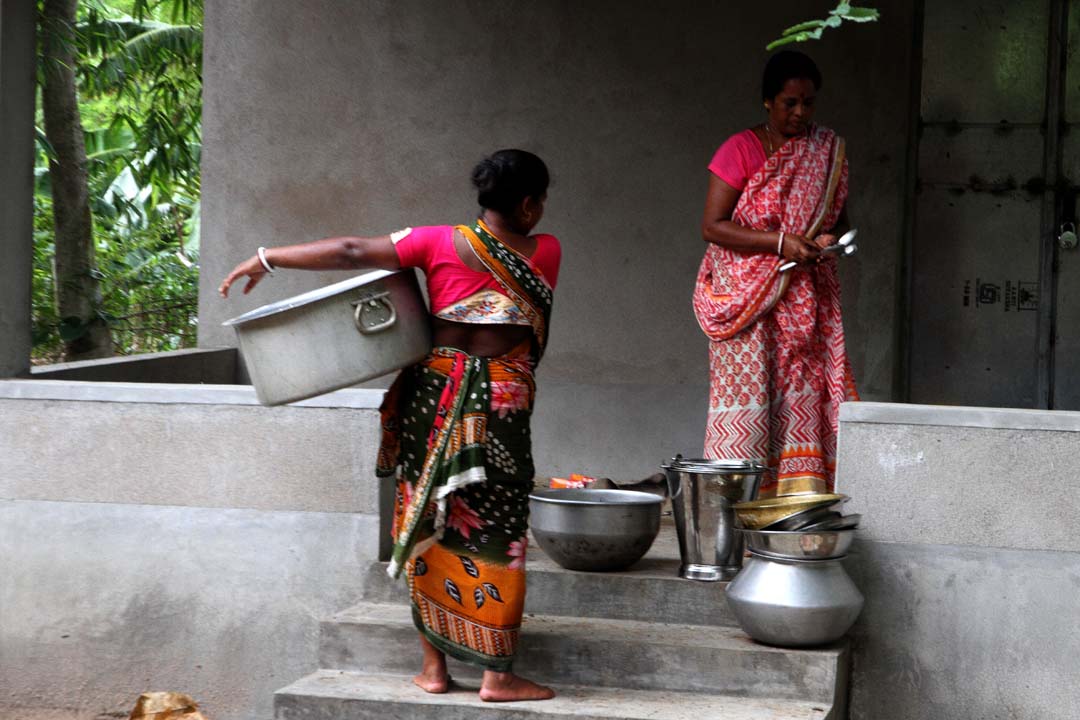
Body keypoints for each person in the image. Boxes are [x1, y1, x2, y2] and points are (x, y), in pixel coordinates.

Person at [219, 149, 560, 702]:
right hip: (500, 400)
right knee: (499, 527)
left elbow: (352, 250)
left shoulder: (434, 241)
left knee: (426, 512)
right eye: (540, 200)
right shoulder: (546, 251)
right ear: (528, 205)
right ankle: (496, 676)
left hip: (433, 391)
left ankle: (433, 671)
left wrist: (267, 257)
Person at [694, 51, 858, 498]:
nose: (801, 113)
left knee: (798, 401)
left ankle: (794, 506)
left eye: (808, 103)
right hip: (745, 300)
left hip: (803, 303)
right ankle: (737, 514)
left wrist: (826, 242)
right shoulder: (740, 150)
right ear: (768, 102)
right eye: (790, 103)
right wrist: (781, 243)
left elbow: (837, 220)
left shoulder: (825, 152)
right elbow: (713, 226)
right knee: (750, 409)